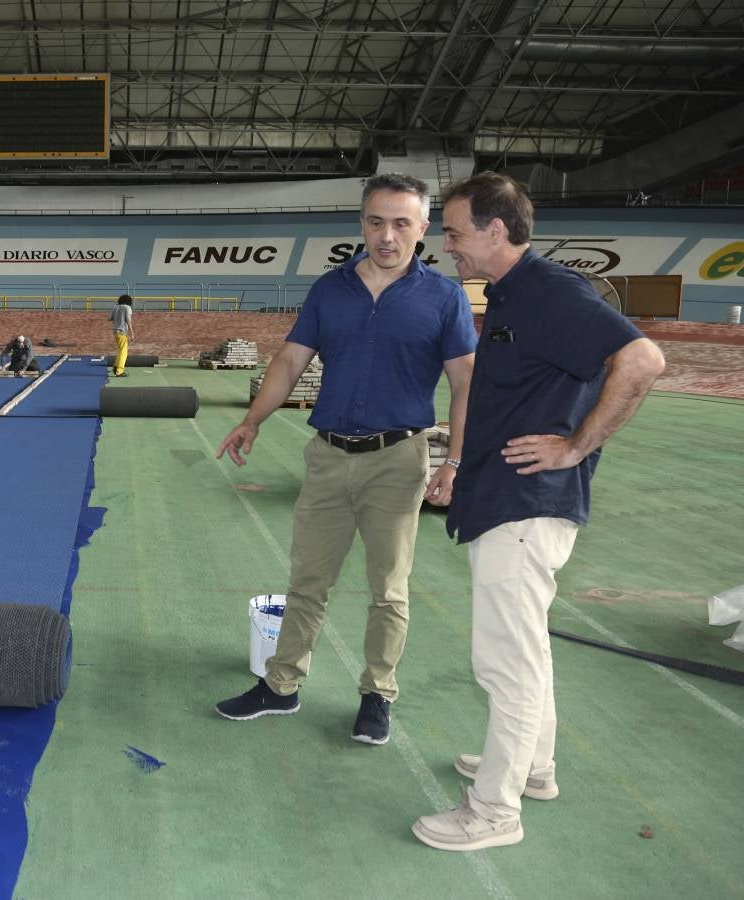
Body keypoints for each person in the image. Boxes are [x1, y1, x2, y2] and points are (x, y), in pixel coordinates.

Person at [411, 173, 664, 851]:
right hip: (505, 499)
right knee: (527, 651)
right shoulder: (515, 294)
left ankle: (492, 812)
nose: (448, 245)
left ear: (497, 231)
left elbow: (641, 360)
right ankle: (535, 769)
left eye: (457, 232)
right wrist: (461, 472)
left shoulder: (550, 291)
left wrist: (577, 445)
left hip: (527, 507)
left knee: (506, 664)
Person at [214, 174, 476, 745]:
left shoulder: (444, 297)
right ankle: (281, 687)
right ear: (362, 223)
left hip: (398, 458)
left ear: (423, 229)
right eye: (376, 222)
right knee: (308, 580)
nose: (387, 236)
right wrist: (251, 420)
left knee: (389, 588)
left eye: (401, 223)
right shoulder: (329, 291)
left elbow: (464, 384)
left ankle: (377, 694)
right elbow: (287, 362)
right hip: (329, 457)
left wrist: (454, 461)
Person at [109, 294, 134, 377]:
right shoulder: (127, 308)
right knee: (124, 352)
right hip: (122, 332)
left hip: (115, 332)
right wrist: (132, 333)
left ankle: (116, 367)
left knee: (120, 351)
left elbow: (110, 318)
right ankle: (119, 371)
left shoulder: (116, 307)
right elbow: (128, 320)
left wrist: (118, 316)